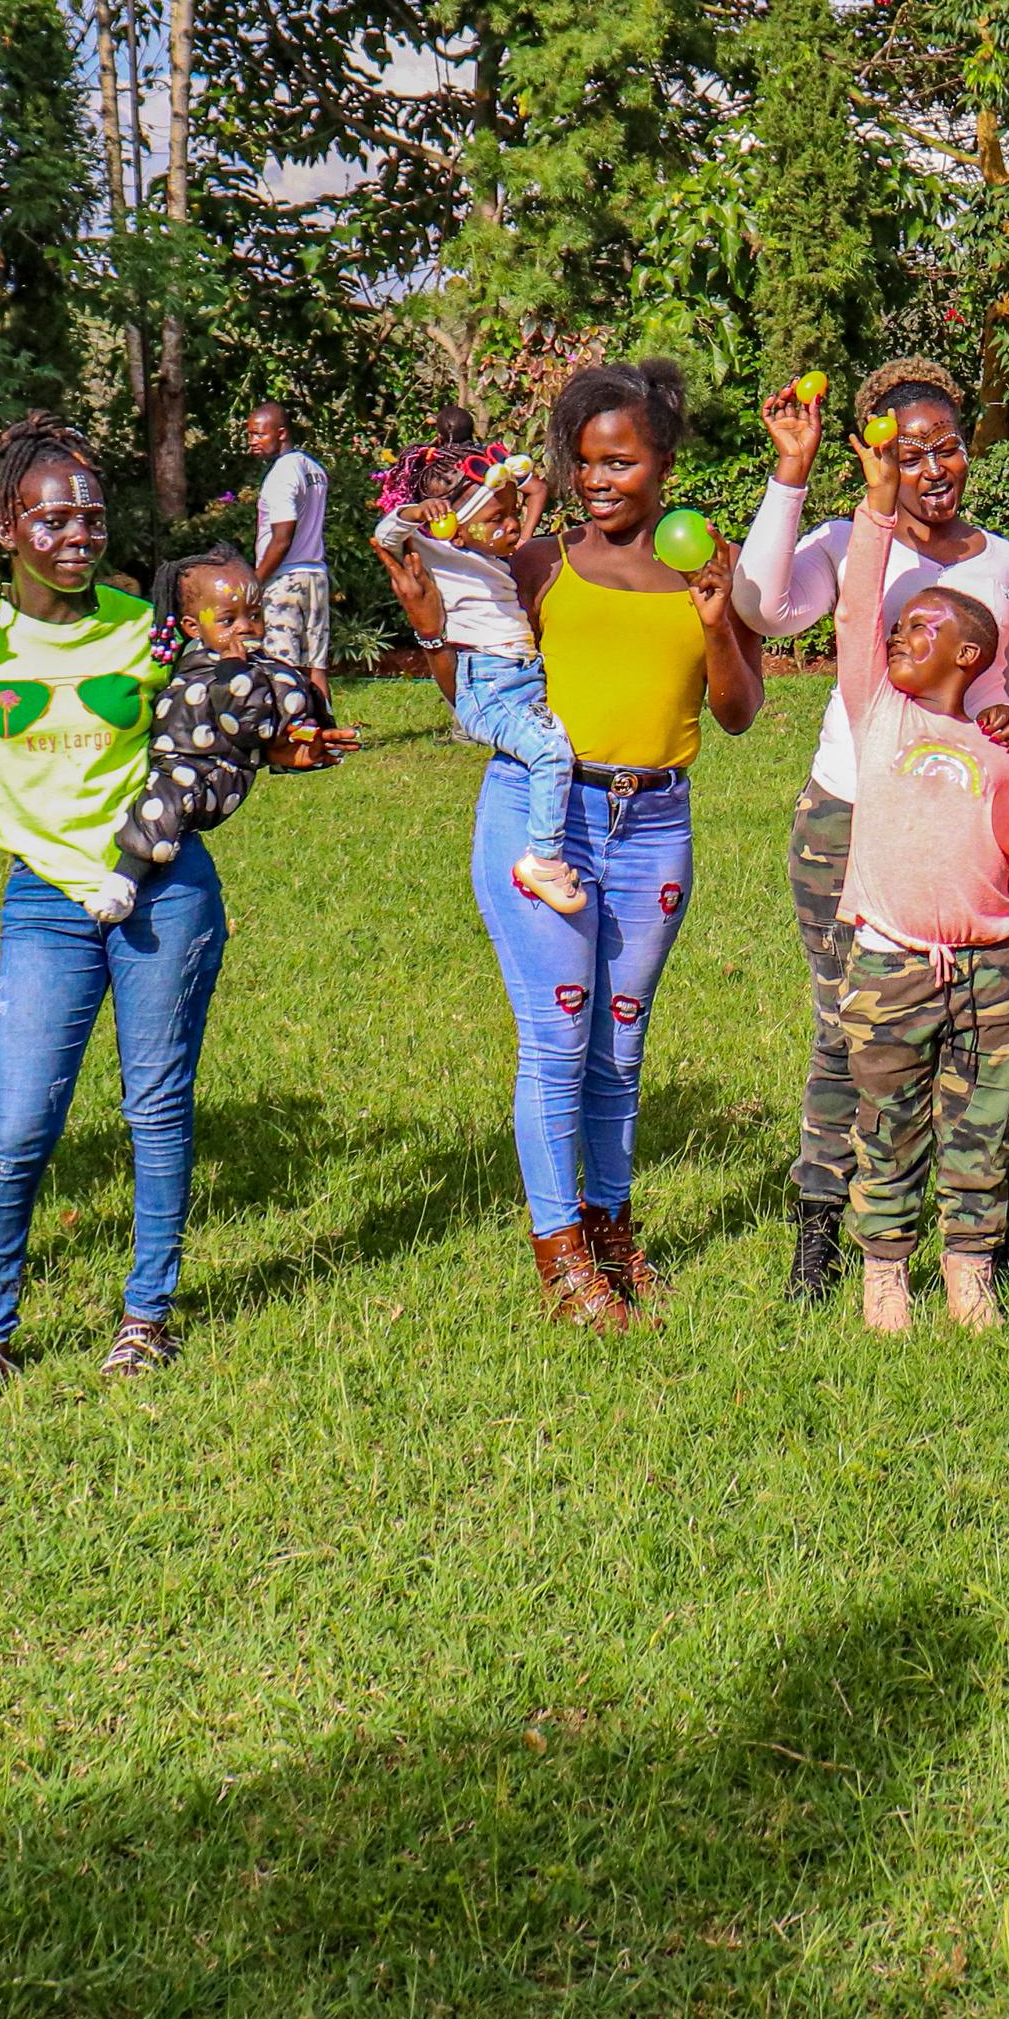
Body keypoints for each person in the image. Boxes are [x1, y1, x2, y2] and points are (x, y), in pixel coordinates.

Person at [384, 357, 764, 1327]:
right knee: (557, 1040)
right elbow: (483, 705)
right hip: (540, 819)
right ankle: (561, 1261)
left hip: (655, 824)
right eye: (585, 462)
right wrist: (434, 631)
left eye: (620, 462)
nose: (599, 480)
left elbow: (738, 711)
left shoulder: (706, 557)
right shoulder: (538, 564)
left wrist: (718, 621)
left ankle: (610, 1233)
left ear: (665, 461)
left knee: (618, 1050)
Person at [0, 415, 228, 1399]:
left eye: (92, 514)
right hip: (45, 901)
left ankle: (146, 1315)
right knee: (19, 1122)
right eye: (52, 515)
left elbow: (208, 744)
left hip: (164, 889)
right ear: (6, 523)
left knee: (154, 1106)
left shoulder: (142, 624)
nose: (76, 531)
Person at [733, 360, 1009, 1306]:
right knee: (851, 1026)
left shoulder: (1000, 563)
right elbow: (762, 606)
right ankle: (824, 1226)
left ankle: (978, 1230)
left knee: (971, 1021)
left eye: (946, 447)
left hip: (978, 825)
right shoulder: (847, 540)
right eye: (906, 451)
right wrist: (790, 475)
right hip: (850, 817)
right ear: (877, 454)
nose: (930, 468)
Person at [828, 456, 1009, 1335]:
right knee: (888, 1120)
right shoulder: (880, 714)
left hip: (986, 964)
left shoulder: (999, 749)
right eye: (901, 626)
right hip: (889, 958)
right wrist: (874, 507)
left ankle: (970, 1265)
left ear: (971, 655)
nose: (900, 634)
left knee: (982, 1121)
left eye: (924, 627)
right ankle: (884, 1271)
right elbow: (858, 605)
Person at [375, 437, 586, 921]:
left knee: (554, 742)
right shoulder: (440, 553)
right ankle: (544, 860)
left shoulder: (495, 559)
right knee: (552, 750)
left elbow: (538, 489)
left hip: (519, 677)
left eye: (513, 513)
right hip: (489, 684)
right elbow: (386, 534)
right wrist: (414, 514)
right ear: (454, 528)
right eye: (497, 519)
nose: (513, 525)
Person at [87, 551, 358, 926]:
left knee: (168, 799)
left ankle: (126, 877)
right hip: (178, 757)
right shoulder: (196, 660)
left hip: (212, 774)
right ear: (193, 626)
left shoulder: (250, 670)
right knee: (166, 791)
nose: (245, 628)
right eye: (228, 620)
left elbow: (246, 726)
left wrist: (239, 678)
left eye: (255, 615)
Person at [245, 402, 332, 699]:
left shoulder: (282, 475)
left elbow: (282, 537)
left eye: (259, 434)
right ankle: (327, 734)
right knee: (316, 666)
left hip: (286, 581)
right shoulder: (314, 469)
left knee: (283, 667)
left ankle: (290, 738)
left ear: (280, 433)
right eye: (250, 435)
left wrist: (256, 582)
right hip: (315, 575)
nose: (252, 442)